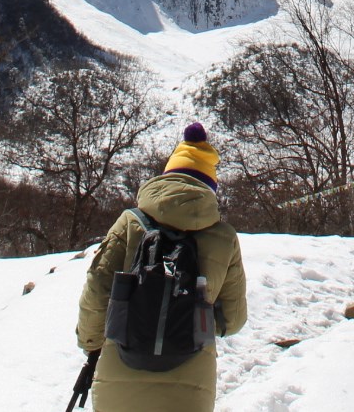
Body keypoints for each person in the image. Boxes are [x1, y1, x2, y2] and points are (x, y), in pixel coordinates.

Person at [76, 122, 248, 412]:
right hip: (190, 385)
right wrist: (193, 320)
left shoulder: (129, 223)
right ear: (209, 186)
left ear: (168, 175)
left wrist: (92, 342)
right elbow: (232, 320)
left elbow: (98, 287)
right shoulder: (224, 238)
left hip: (119, 374)